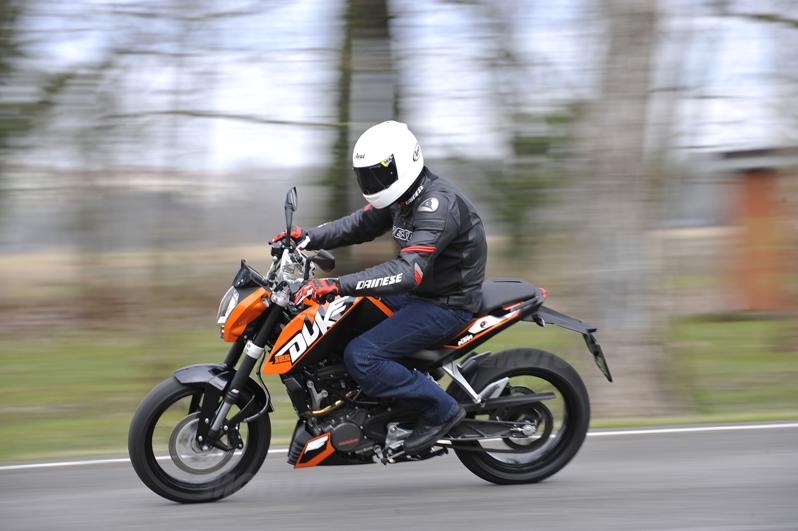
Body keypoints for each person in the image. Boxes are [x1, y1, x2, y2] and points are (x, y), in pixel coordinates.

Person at [271, 120, 487, 454]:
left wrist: (337, 285)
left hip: (446, 302)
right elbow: (360, 224)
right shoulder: (402, 198)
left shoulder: (436, 205)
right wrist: (308, 237)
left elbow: (408, 271)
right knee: (339, 326)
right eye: (367, 175)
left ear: (405, 162)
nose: (373, 183)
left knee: (363, 355)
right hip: (418, 294)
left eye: (379, 173)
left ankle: (442, 411)